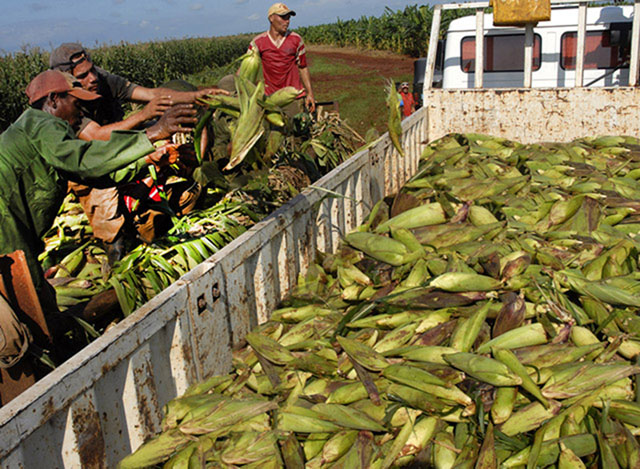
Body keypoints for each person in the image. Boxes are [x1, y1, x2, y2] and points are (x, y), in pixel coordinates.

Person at [0, 70, 195, 326]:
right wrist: (152, 133)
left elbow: (94, 176)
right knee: (27, 307)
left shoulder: (47, 133)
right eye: (77, 103)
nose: (81, 113)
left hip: (13, 227)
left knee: (38, 302)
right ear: (53, 100)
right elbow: (83, 160)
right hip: (5, 226)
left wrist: (146, 159)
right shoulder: (40, 123)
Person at [49, 43, 226, 259]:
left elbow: (152, 94)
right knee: (105, 203)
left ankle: (159, 221)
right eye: (83, 75)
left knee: (173, 166)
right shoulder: (63, 103)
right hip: (90, 165)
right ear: (67, 79)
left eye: (92, 70)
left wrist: (197, 95)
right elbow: (96, 137)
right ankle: (116, 252)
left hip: (120, 151)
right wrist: (144, 118)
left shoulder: (101, 81)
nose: (92, 78)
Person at [249, 3, 316, 113]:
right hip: (270, 98)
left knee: (295, 128)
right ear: (271, 18)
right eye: (283, 17)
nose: (287, 21)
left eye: (288, 18)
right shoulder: (258, 42)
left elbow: (303, 67)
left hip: (294, 98)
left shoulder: (296, 39)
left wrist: (310, 93)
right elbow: (247, 67)